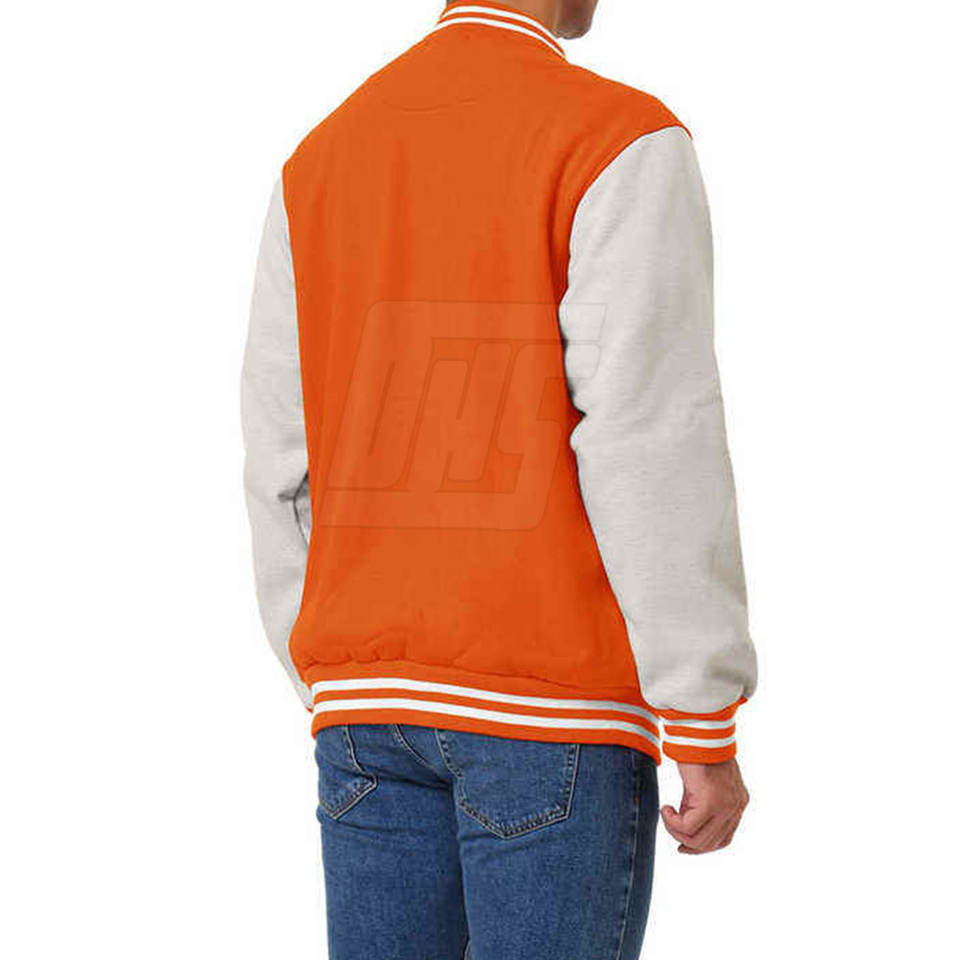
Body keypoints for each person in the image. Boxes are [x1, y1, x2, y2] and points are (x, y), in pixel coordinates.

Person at [242, 2, 757, 957]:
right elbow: (648, 433)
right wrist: (702, 712)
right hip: (550, 712)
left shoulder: (319, 159)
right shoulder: (617, 138)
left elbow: (281, 450)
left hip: (366, 711)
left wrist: (336, 675)